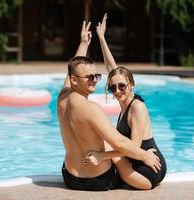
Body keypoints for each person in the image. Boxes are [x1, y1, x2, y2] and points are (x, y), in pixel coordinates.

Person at [57, 20, 161, 191]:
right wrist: (144, 156)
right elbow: (119, 143)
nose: (94, 81)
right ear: (75, 80)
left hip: (70, 177)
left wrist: (83, 44)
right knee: (109, 144)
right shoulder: (91, 108)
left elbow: (72, 72)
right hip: (99, 180)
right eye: (89, 77)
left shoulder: (62, 98)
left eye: (95, 76)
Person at [83, 14, 166, 190]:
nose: (117, 91)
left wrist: (102, 156)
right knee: (106, 138)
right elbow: (113, 70)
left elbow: (134, 148)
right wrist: (101, 37)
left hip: (147, 171)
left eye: (122, 86)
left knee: (107, 143)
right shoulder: (124, 103)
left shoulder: (137, 107)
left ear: (132, 85)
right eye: (113, 88)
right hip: (137, 162)